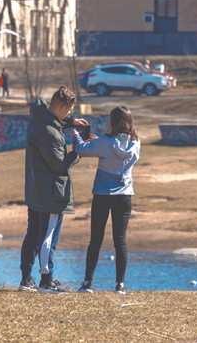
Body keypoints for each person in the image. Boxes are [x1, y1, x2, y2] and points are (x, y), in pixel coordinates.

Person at [19, 86, 88, 294]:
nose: (69, 114)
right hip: (50, 192)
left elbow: (52, 120)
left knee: (33, 233)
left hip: (36, 188)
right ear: (64, 106)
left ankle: (26, 279)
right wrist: (79, 149)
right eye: (68, 111)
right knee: (47, 236)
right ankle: (46, 281)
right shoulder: (48, 133)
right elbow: (59, 164)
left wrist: (69, 122)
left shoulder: (38, 117)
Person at [72, 106, 140, 295]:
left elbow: (81, 149)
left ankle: (87, 283)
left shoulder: (104, 142)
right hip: (124, 197)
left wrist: (76, 135)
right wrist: (99, 143)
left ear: (113, 121)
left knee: (96, 240)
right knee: (121, 241)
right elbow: (113, 149)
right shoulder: (136, 143)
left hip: (102, 195)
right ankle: (120, 285)